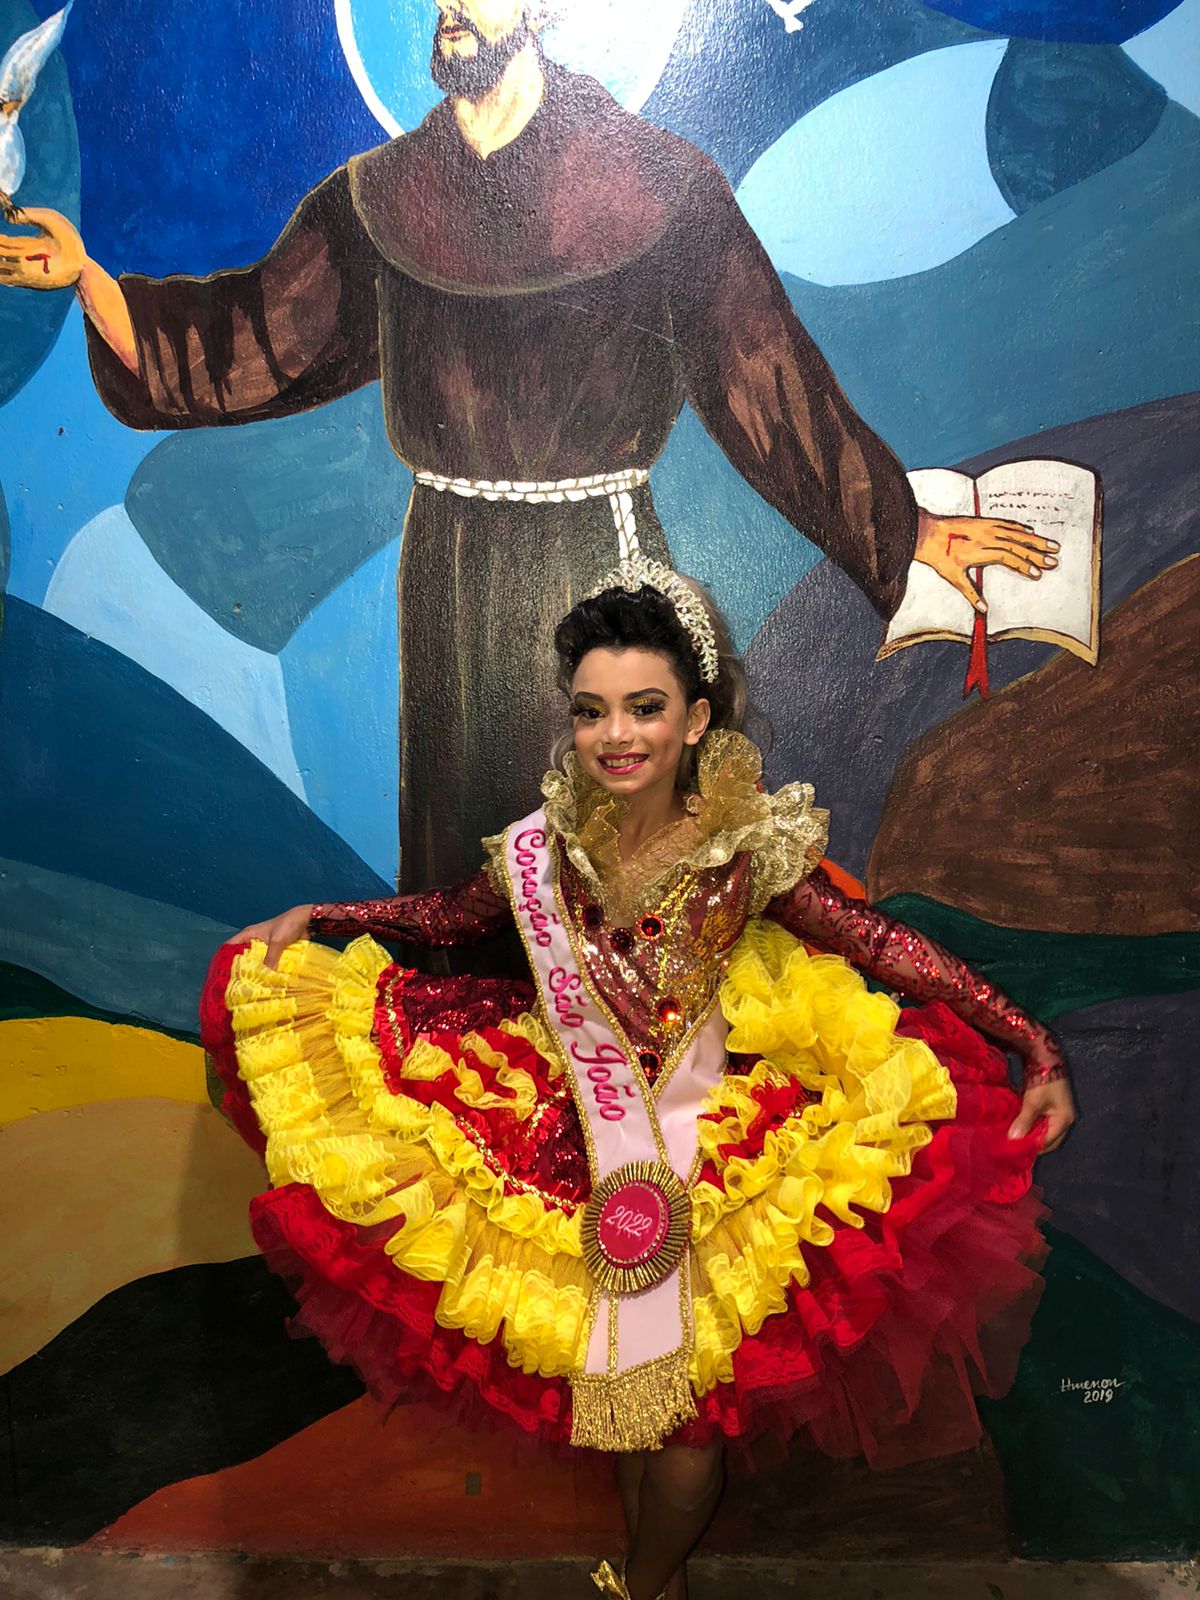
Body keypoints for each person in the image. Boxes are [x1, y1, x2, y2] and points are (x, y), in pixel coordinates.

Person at [0, 0, 1060, 891]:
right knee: (461, 870)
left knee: (609, 869)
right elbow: (254, 340)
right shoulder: (380, 196)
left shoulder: (660, 187)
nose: (451, 7)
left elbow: (769, 389)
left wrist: (911, 531)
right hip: (449, 575)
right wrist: (90, 280)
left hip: (598, 569)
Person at [200, 556, 1074, 1600]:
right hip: (556, 1144)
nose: (616, 735)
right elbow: (448, 919)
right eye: (592, 711)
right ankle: (649, 1580)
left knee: (689, 1432)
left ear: (695, 721)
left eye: (644, 708)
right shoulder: (539, 852)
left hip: (711, 1152)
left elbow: (882, 945)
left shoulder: (744, 852)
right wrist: (328, 917)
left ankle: (642, 1587)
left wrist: (1033, 1041)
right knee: (623, 1404)